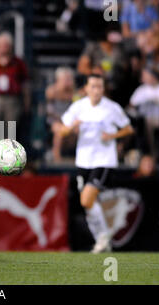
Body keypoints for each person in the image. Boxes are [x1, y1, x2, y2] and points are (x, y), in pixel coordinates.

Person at [58, 74, 134, 253]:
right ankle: (102, 238)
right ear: (86, 88)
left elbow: (128, 128)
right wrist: (72, 127)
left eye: (100, 87)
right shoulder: (78, 107)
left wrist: (112, 136)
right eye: (93, 86)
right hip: (83, 160)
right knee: (87, 203)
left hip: (103, 159)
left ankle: (103, 236)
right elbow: (62, 132)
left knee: (87, 198)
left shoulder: (111, 108)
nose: (97, 90)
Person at [45, 67, 77, 163]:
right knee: (59, 130)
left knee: (79, 129)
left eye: (69, 79)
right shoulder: (52, 89)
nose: (68, 81)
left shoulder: (73, 91)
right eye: (66, 79)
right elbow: (53, 96)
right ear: (59, 79)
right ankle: (56, 156)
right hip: (54, 120)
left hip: (69, 121)